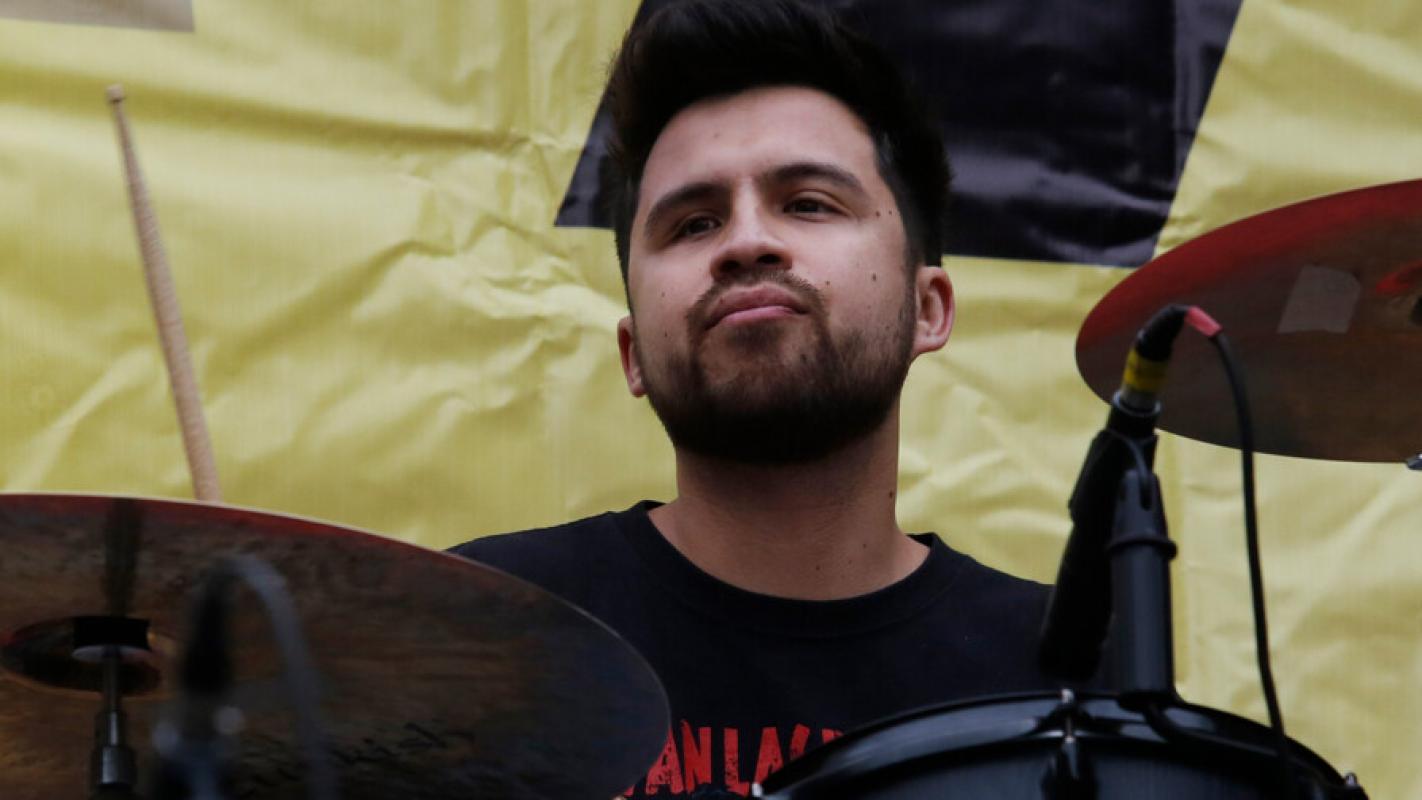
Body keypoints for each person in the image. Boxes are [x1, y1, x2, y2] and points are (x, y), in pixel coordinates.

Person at [452, 0, 1055, 795]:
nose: (745, 242)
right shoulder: (482, 627)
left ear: (928, 308)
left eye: (807, 203)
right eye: (693, 223)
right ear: (634, 354)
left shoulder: (1058, 673)